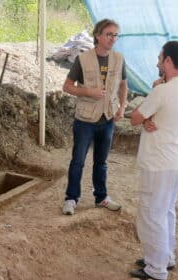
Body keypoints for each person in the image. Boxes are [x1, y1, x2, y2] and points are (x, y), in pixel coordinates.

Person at [129, 41, 178, 280]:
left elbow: (135, 118)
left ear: (169, 61)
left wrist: (148, 107)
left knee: (151, 214)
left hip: (158, 163)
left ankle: (156, 269)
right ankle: (165, 257)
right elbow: (163, 116)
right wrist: (151, 114)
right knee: (166, 211)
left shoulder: (161, 92)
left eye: (160, 59)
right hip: (176, 161)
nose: (157, 63)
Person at [62, 18, 128, 216]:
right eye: (109, 34)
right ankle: (71, 199)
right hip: (85, 121)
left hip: (107, 119)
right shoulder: (83, 59)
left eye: (116, 35)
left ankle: (101, 197)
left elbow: (124, 84)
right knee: (78, 161)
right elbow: (67, 86)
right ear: (98, 36)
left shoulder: (119, 59)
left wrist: (122, 107)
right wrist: (89, 92)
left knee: (102, 162)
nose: (113, 39)